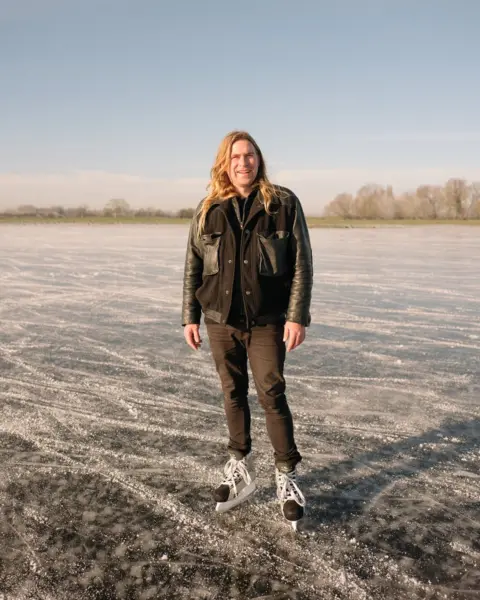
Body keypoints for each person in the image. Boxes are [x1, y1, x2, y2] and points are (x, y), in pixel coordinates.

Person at [181, 130, 313, 529]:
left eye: (250, 155)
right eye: (236, 156)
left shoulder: (283, 203)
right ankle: (239, 463)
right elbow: (193, 265)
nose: (244, 162)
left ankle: (285, 475)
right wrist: (190, 315)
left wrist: (296, 315)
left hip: (268, 320)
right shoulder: (208, 209)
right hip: (220, 321)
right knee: (232, 391)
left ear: (259, 160)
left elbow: (302, 264)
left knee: (271, 392)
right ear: (225, 162)